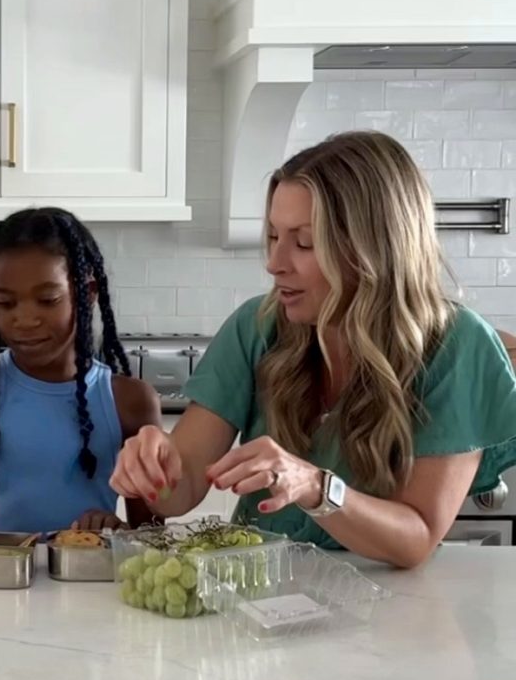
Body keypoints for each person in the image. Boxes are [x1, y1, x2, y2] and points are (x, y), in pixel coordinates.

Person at [110, 131, 516, 568]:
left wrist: (317, 488)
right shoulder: (257, 327)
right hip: (261, 601)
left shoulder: (458, 347)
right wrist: (155, 468)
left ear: (373, 248)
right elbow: (182, 490)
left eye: (304, 242)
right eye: (272, 237)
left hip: (389, 616)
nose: (275, 262)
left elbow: (415, 538)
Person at [0, 207, 162, 534]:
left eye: (48, 300)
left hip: (84, 579)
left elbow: (151, 534)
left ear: (88, 295)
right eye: (6, 303)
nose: (24, 320)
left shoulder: (130, 400)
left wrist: (116, 531)